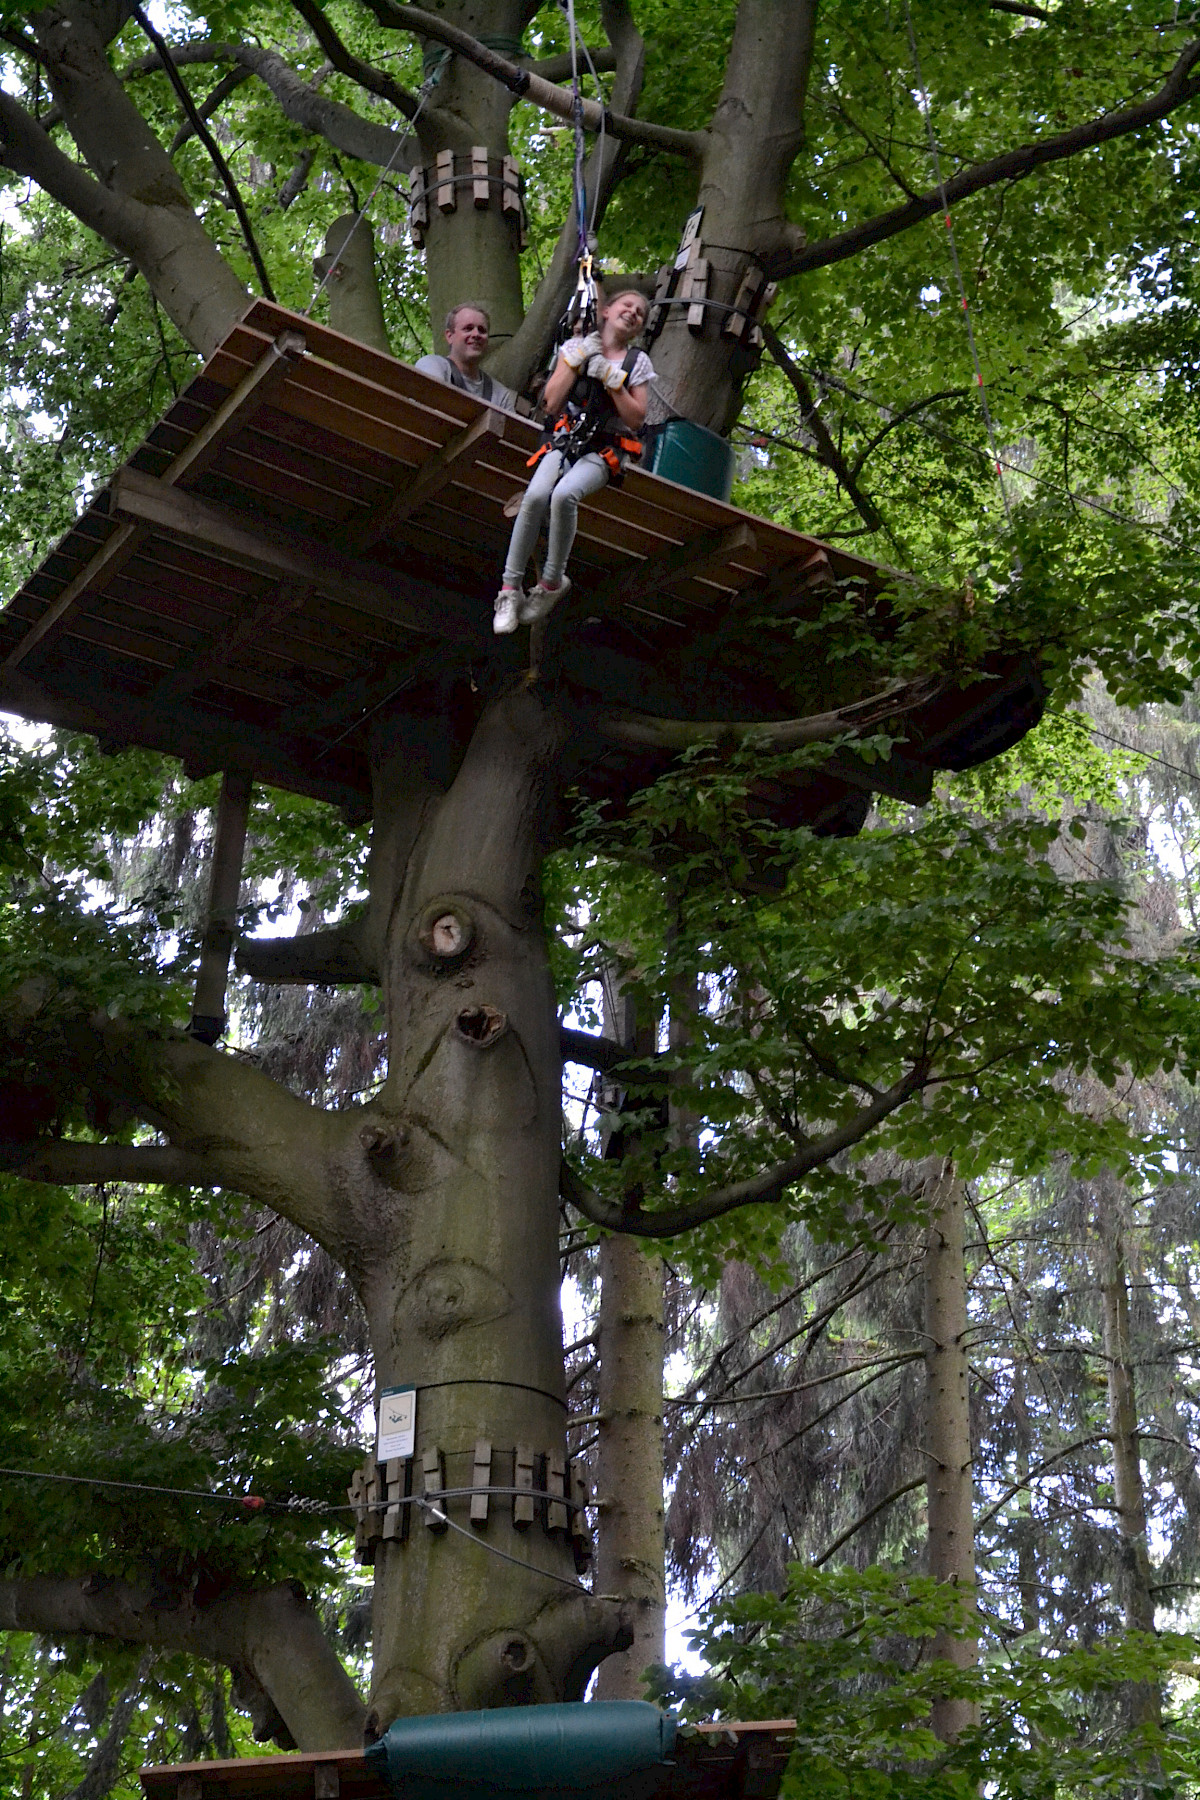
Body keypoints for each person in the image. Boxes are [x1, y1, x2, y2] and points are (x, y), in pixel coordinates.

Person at [494, 287, 653, 634]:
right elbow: (551, 403)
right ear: (607, 311)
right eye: (628, 306)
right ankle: (509, 590)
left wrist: (613, 383)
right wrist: (578, 359)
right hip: (565, 439)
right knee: (535, 497)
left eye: (640, 313)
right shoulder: (575, 348)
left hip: (603, 449)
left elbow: (636, 419)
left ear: (640, 328)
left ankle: (551, 582)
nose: (633, 313)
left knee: (565, 495)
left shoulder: (636, 363)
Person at [415, 303, 520, 412]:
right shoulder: (432, 365)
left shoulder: (500, 396)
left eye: (482, 330)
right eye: (468, 328)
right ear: (449, 336)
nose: (476, 334)